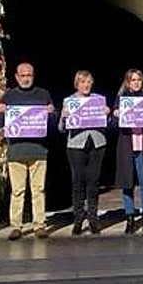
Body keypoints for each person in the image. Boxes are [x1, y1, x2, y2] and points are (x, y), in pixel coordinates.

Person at [0, 61, 55, 240]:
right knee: (17, 191)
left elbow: (52, 124)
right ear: (16, 76)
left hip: (38, 150)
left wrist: (52, 113)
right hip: (16, 151)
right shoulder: (9, 96)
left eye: (29, 75)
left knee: (38, 190)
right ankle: (16, 226)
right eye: (23, 75)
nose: (26, 78)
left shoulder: (43, 94)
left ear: (33, 76)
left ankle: (39, 225)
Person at [114, 68, 143, 235]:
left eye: (138, 80)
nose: (136, 83)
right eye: (133, 80)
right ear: (127, 82)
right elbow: (112, 124)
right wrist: (115, 115)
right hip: (127, 145)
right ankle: (130, 217)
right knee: (127, 183)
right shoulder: (121, 99)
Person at [60, 70, 107, 235]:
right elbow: (61, 128)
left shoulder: (98, 100)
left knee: (94, 182)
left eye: (88, 82)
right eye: (82, 82)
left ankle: (93, 217)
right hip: (76, 145)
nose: (86, 85)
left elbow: (106, 123)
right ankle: (78, 218)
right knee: (78, 182)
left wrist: (106, 114)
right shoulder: (69, 101)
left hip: (97, 143)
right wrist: (64, 117)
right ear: (77, 84)